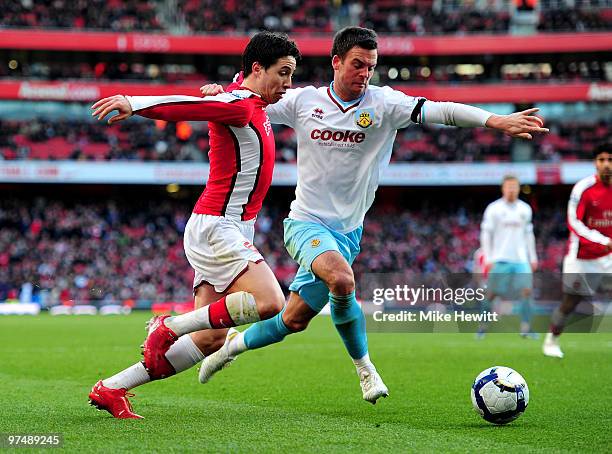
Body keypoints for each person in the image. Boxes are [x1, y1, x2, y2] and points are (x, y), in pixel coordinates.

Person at [194, 27, 548, 404]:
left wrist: (495, 121)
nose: (364, 74)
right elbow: (254, 94)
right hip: (305, 223)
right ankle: (366, 371)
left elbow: (440, 110)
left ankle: (232, 346)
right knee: (343, 281)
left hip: (348, 232)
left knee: (293, 320)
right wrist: (224, 88)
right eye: (357, 65)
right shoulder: (303, 102)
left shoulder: (384, 104)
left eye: (371, 67)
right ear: (336, 62)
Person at [87, 31, 301, 418]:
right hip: (218, 226)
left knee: (210, 339)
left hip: (229, 227)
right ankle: (167, 326)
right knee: (271, 302)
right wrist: (134, 103)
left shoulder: (245, 99)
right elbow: (184, 107)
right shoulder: (239, 105)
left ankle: (112, 388)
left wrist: (221, 90)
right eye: (283, 73)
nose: (288, 84)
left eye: (291, 75)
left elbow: (221, 97)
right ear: (257, 68)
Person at [543, 143, 611, 358]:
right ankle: (551, 340)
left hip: (608, 255)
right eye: (601, 160)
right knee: (571, 302)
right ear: (595, 163)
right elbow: (574, 222)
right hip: (581, 256)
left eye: (610, 159)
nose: (606, 164)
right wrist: (604, 240)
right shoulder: (583, 188)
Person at [477, 175, 539, 338]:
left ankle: (525, 328)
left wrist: (532, 257)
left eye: (514, 186)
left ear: (518, 188)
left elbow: (528, 234)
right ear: (503, 188)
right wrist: (488, 257)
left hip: (521, 260)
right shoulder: (494, 208)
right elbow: (486, 233)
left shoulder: (525, 209)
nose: (511, 189)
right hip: (499, 259)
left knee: (526, 291)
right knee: (491, 293)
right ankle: (483, 326)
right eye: (508, 186)